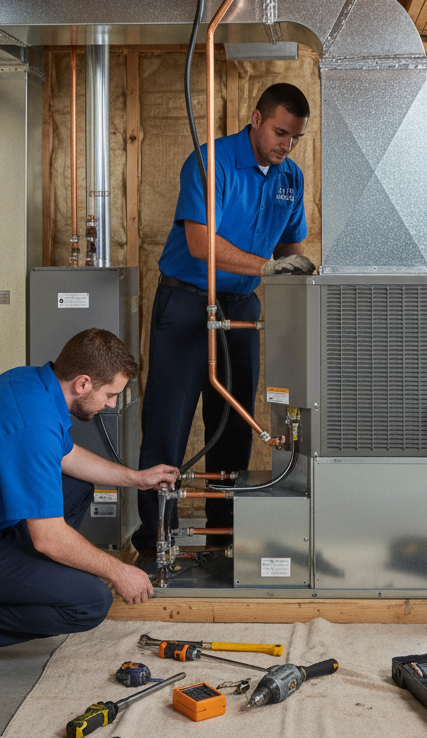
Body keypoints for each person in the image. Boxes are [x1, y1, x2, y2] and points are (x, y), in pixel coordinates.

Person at [0, 328, 180, 682]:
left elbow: (67, 456)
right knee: (90, 602)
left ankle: (32, 582)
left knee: (76, 487)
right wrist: (118, 571)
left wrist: (137, 478)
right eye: (110, 394)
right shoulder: (32, 423)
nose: (112, 404)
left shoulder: (31, 384)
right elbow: (48, 537)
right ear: (83, 384)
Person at [133, 82, 314, 565]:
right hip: (186, 303)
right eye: (280, 133)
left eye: (295, 137)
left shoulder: (291, 177)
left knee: (234, 426)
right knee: (168, 424)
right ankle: (155, 542)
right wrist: (268, 266)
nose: (286, 145)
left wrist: (294, 277)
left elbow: (290, 249)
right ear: (256, 119)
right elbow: (200, 243)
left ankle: (223, 540)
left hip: (242, 308)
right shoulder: (210, 162)